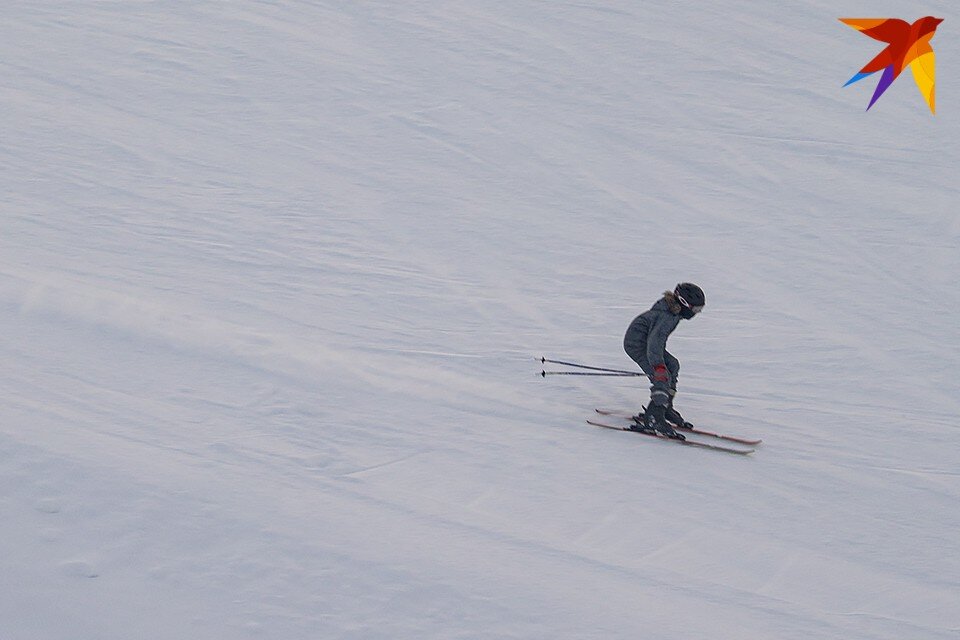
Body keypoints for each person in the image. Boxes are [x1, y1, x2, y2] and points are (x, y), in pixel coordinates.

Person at [622, 283, 705, 439]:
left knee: (672, 365)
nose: (696, 313)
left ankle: (664, 408)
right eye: (696, 309)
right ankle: (654, 418)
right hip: (637, 344)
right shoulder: (667, 316)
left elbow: (656, 342)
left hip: (645, 343)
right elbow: (655, 344)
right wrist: (659, 368)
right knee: (662, 375)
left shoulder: (673, 311)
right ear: (685, 303)